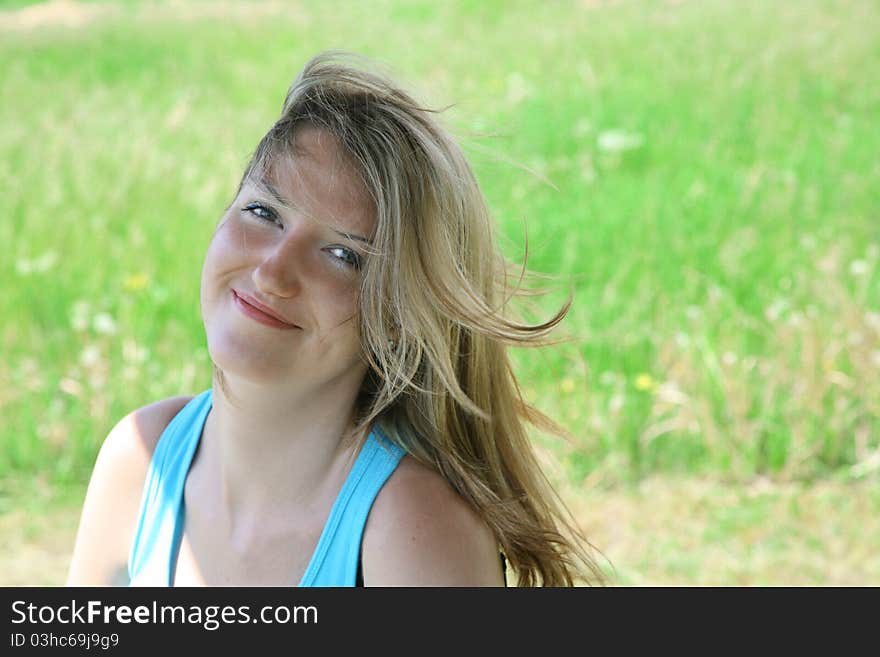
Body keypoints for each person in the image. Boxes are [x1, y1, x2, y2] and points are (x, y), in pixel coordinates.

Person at [66, 51, 605, 587]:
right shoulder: (142, 460)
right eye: (264, 212)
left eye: (344, 254)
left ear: (397, 317)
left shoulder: (413, 530)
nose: (274, 271)